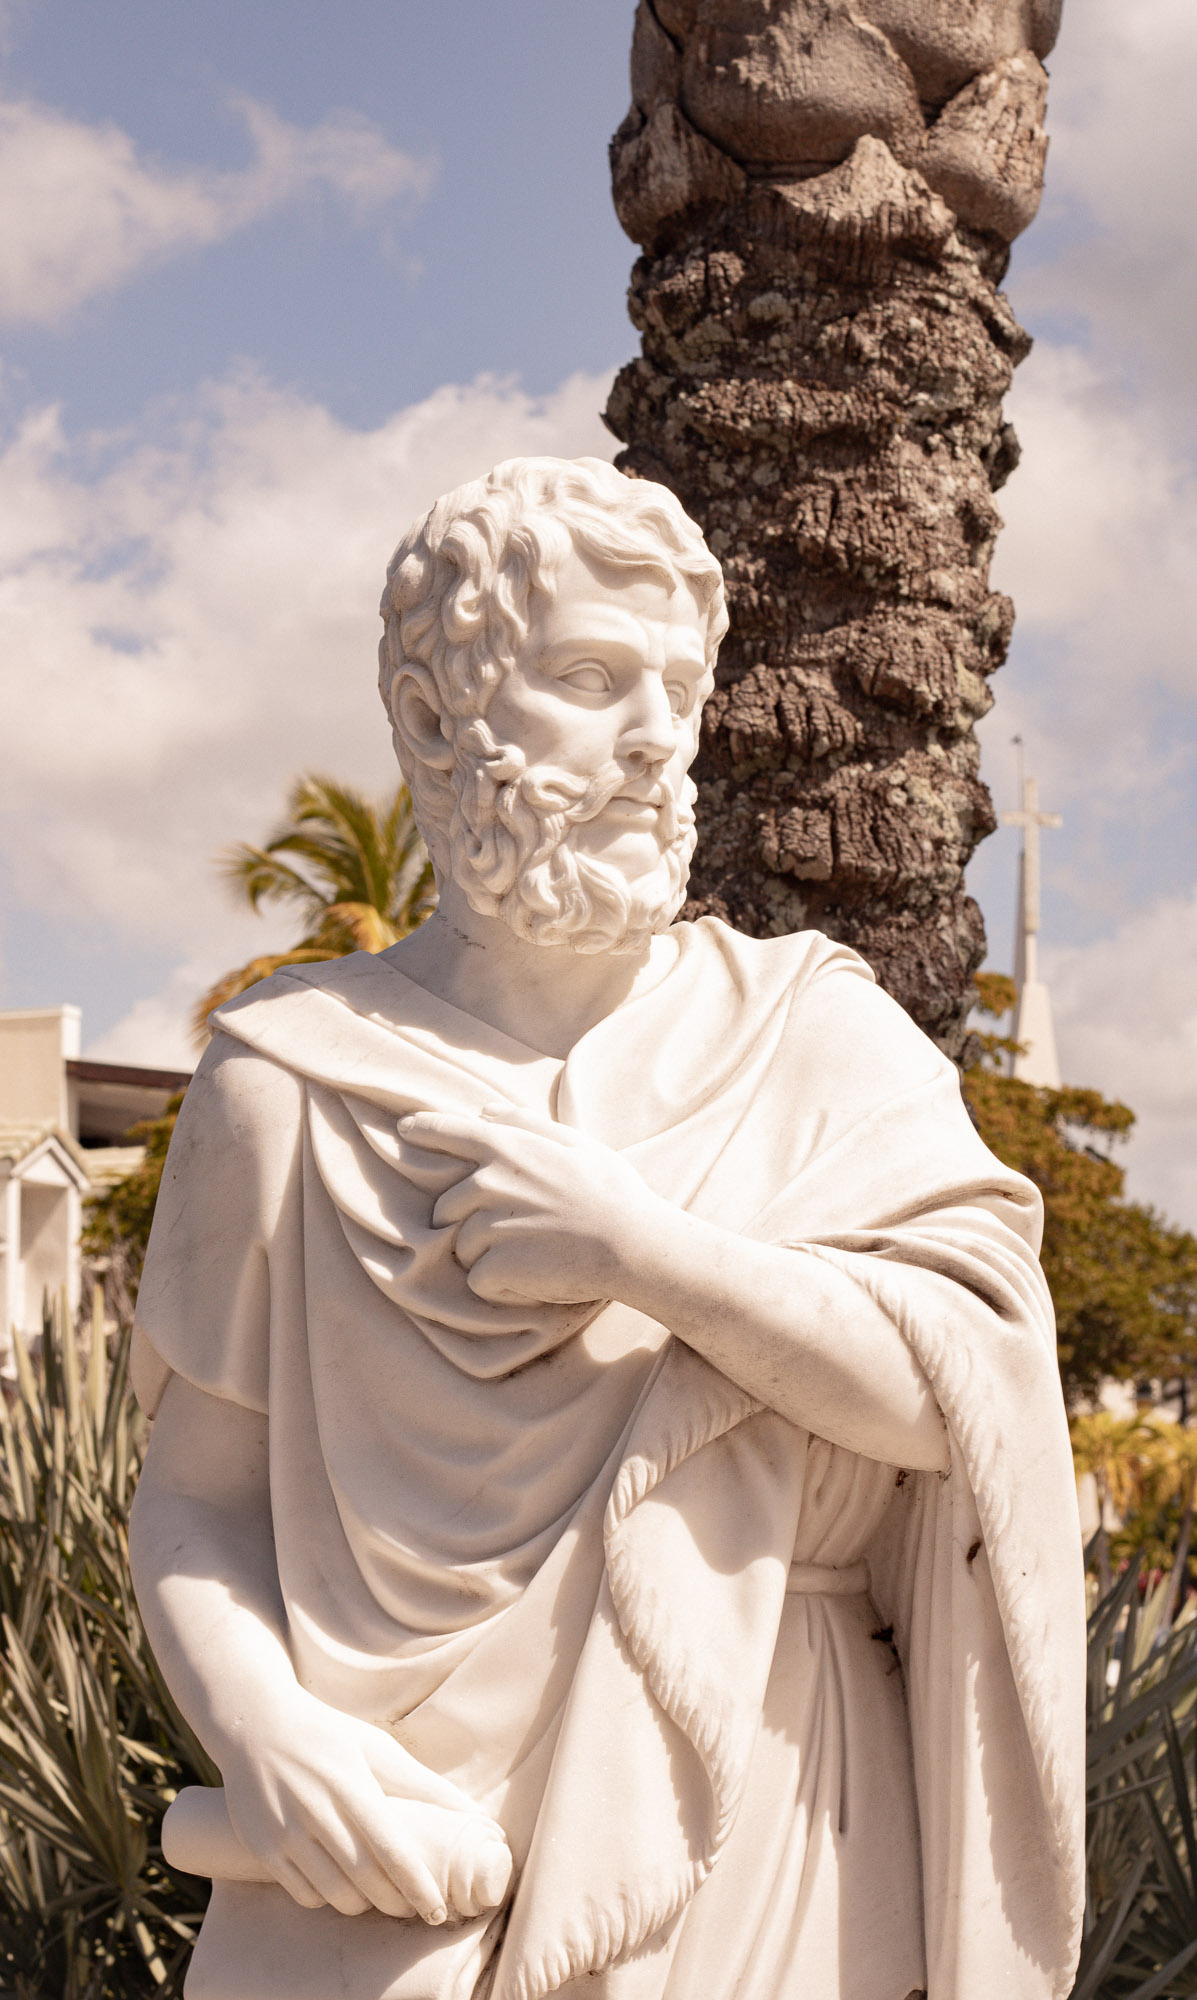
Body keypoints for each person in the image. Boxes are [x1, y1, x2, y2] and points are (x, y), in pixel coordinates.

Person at [129, 457, 1085, 2000]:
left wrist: (645, 1253)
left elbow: (963, 1400)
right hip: (395, 1849)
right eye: (587, 679)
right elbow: (198, 1501)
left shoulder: (813, 1037)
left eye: (673, 688)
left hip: (767, 1805)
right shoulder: (288, 1075)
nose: (651, 741)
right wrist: (269, 1734)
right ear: (437, 722)